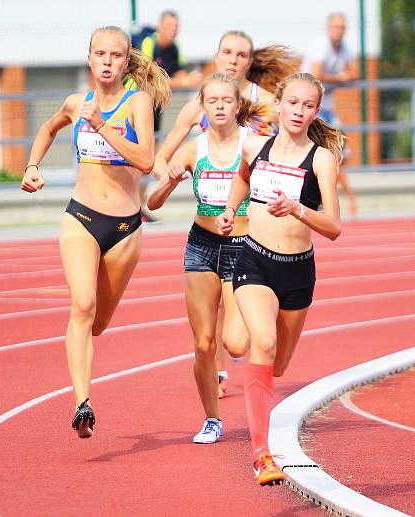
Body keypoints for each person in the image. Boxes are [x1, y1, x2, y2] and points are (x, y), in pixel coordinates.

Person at [20, 26, 169, 438]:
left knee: (99, 322)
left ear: (126, 63)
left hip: (124, 227)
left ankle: (85, 381)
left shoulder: (136, 102)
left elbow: (145, 159)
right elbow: (48, 129)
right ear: (89, 59)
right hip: (81, 217)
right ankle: (82, 403)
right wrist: (32, 167)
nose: (106, 60)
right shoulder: (75, 103)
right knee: (81, 307)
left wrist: (103, 125)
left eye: (115, 55)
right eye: (99, 54)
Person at [215, 72, 343, 485]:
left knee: (279, 365)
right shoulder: (256, 145)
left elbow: (334, 227)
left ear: (315, 111)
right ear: (280, 104)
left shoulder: (322, 159)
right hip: (254, 260)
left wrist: (297, 209)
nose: (299, 111)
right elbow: (241, 177)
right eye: (293, 103)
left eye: (308, 106)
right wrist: (231, 210)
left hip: (297, 271)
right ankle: (261, 453)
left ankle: (242, 340)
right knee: (263, 343)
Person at [153, 30, 295, 398]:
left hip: (255, 215)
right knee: (209, 310)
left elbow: (291, 148)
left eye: (241, 54)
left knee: (236, 328)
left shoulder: (265, 103)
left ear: (250, 61)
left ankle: (265, 315)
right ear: (216, 56)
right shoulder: (201, 103)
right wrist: (173, 174)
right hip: (209, 219)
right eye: (227, 52)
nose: (233, 59)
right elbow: (162, 157)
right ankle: (215, 372)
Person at [147, 73, 268, 444]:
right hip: (201, 246)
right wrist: (168, 179)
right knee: (203, 343)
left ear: (237, 106)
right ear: (202, 106)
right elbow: (150, 204)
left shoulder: (254, 145)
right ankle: (212, 420)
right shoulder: (193, 149)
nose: (218, 106)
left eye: (226, 100)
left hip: (243, 246)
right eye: (211, 100)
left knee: (235, 344)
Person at [135, 10, 202, 224]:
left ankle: (138, 206)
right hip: (136, 103)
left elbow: (180, 73)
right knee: (139, 156)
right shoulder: (149, 43)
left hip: (155, 107)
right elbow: (147, 77)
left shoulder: (175, 48)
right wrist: (181, 82)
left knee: (148, 154)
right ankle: (130, 203)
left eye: (176, 26)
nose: (173, 30)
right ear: (160, 27)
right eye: (169, 26)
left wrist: (194, 79)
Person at [301, 12, 358, 217]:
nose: (339, 31)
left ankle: (332, 197)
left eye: (342, 27)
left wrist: (340, 77)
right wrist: (339, 77)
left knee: (339, 153)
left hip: (327, 108)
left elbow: (355, 72)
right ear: (328, 28)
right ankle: (326, 198)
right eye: (335, 27)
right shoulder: (321, 46)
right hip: (310, 106)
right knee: (322, 153)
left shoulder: (345, 47)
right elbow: (316, 75)